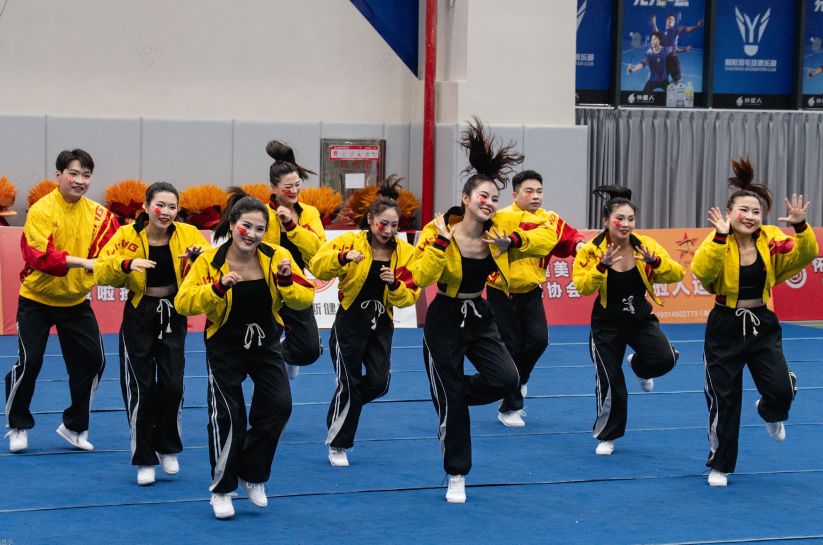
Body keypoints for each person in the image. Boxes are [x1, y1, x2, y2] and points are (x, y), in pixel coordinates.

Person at [412, 117, 558, 504]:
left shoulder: (500, 226)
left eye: (494, 198)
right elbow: (419, 276)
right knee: (454, 407)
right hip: (445, 317)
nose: (490, 203)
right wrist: (440, 246)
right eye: (483, 196)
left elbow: (548, 234)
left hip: (480, 312)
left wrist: (514, 241)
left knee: (507, 379)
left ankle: (452, 394)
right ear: (466, 198)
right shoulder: (439, 230)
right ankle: (457, 474)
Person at [175, 188, 315, 519]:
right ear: (232, 224)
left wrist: (286, 282)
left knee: (280, 406)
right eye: (246, 226)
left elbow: (304, 299)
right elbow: (183, 302)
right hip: (224, 345)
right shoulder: (210, 261)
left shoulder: (277, 255)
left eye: (259, 229)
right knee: (228, 416)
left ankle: (252, 472)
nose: (251, 234)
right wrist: (217, 288)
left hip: (265, 342)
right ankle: (222, 489)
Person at [692, 157, 817, 488]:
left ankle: (771, 411)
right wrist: (720, 239)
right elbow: (702, 272)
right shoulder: (716, 241)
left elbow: (805, 254)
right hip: (724, 325)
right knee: (724, 399)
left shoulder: (770, 238)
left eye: (756, 212)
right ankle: (720, 465)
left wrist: (801, 227)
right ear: (729, 212)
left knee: (781, 391)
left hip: (762, 322)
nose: (749, 217)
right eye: (743, 211)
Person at [94, 182, 210, 486]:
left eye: (172, 207)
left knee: (172, 386)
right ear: (146, 207)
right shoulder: (127, 235)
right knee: (140, 389)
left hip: (174, 313)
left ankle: (167, 446)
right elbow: (102, 270)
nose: (166, 212)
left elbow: (213, 267)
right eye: (160, 205)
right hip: (139, 315)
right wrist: (126, 263)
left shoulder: (188, 233)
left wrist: (198, 260)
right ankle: (145, 458)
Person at [5, 149, 119, 453]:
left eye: (86, 175)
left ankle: (74, 426)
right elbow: (40, 257)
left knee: (94, 361)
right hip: (36, 300)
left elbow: (115, 254)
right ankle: (17, 424)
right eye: (73, 174)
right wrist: (83, 262)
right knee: (30, 361)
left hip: (75, 302)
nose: (80, 181)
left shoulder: (101, 216)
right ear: (59, 176)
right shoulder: (41, 210)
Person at [309, 176, 420, 467]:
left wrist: (395, 285)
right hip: (350, 320)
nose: (388, 230)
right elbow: (317, 266)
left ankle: (344, 401)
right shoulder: (350, 241)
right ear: (370, 219)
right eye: (383, 223)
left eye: (394, 225)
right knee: (350, 382)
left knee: (379, 383)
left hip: (382, 322)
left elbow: (410, 296)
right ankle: (338, 443)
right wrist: (342, 257)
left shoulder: (406, 253)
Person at [573, 185, 685, 457]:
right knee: (610, 381)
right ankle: (608, 436)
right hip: (606, 325)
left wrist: (656, 262)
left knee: (666, 359)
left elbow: (678, 274)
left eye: (630, 219)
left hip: (639, 317)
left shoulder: (645, 245)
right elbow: (582, 287)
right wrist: (601, 267)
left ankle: (639, 367)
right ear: (606, 220)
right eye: (619, 219)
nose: (625, 224)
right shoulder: (590, 250)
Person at [486, 170, 585, 427]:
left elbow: (570, 238)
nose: (535, 196)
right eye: (529, 192)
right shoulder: (499, 217)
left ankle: (519, 379)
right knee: (510, 345)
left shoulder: (549, 219)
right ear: (515, 195)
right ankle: (509, 408)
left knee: (539, 339)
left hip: (531, 291)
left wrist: (580, 245)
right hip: (500, 291)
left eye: (539, 192)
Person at [262, 140, 325, 380]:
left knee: (309, 351)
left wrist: (292, 227)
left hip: (296, 288)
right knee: (257, 346)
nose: (294, 191)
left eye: (298, 185)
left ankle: (286, 350)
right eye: (288, 186)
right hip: (265, 290)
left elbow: (319, 251)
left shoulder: (309, 213)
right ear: (274, 187)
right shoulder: (261, 214)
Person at [652, 12, 703, 84]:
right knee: (663, 81)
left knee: (677, 81)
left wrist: (697, 26)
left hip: (673, 60)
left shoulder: (676, 29)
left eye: (672, 20)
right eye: (669, 19)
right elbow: (657, 33)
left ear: (674, 22)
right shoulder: (662, 32)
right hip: (664, 60)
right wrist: (654, 24)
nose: (670, 20)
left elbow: (688, 29)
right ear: (666, 20)